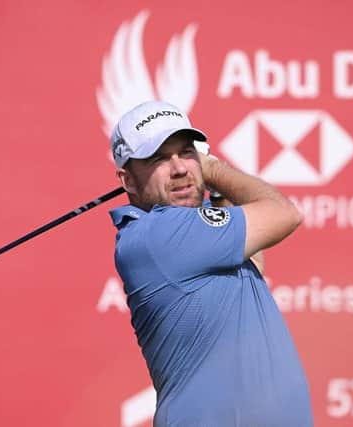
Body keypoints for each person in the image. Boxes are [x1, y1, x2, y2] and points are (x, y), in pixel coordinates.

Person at [108, 100, 312, 426]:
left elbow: (253, 263)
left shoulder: (193, 239)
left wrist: (215, 192)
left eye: (186, 152)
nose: (179, 168)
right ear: (128, 180)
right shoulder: (158, 234)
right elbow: (285, 213)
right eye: (159, 158)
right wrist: (212, 168)